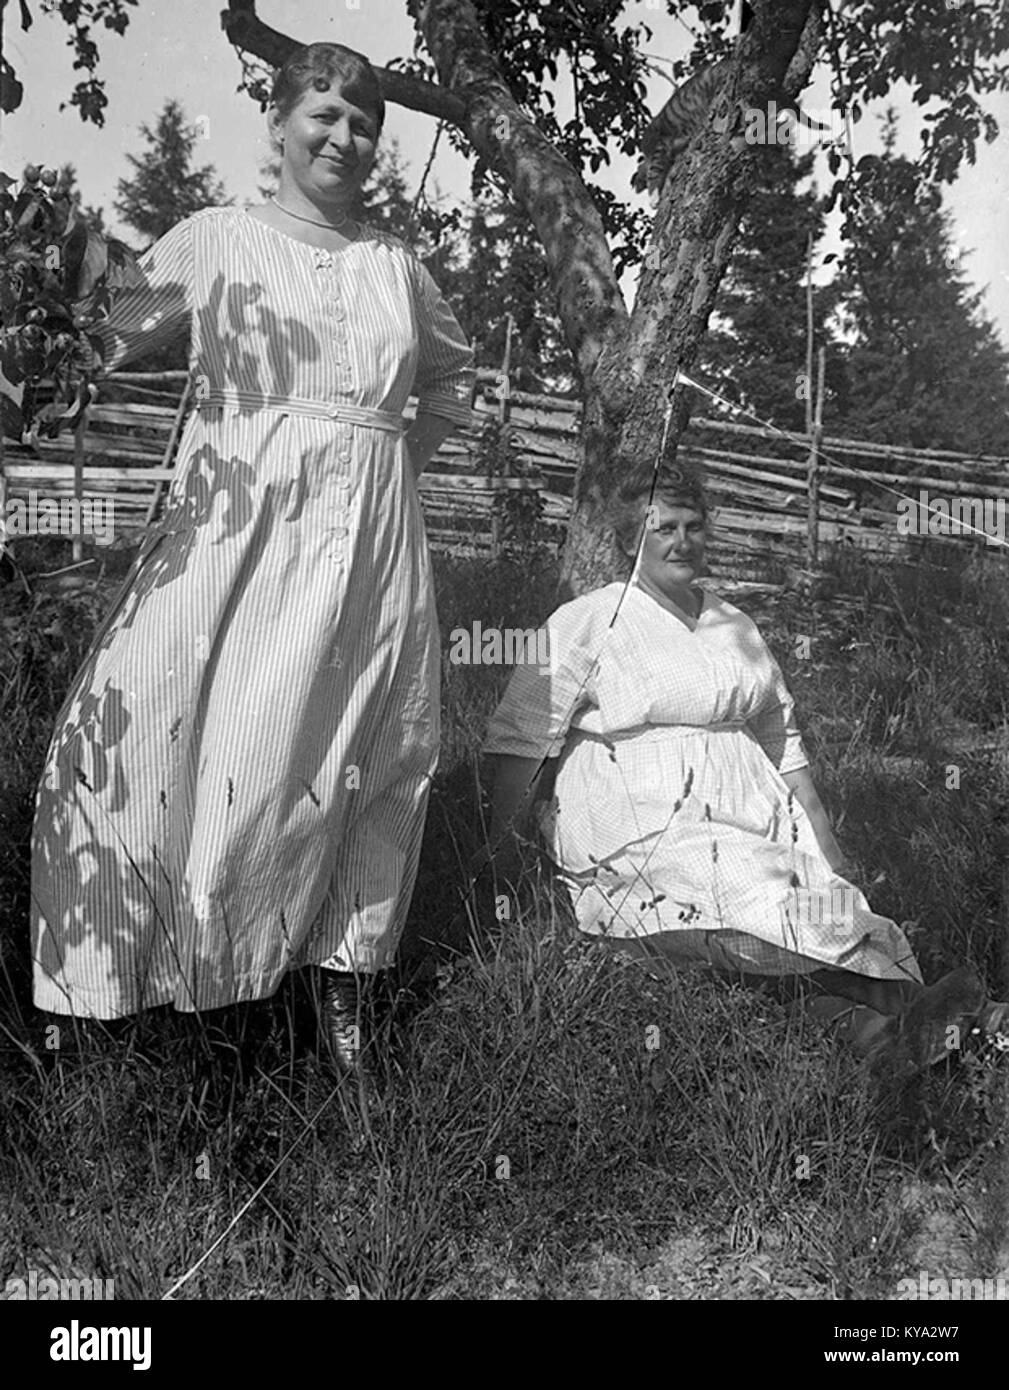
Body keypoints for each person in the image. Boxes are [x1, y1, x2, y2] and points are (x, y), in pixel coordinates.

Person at [30, 42, 475, 1078]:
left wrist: (379, 459)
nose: (345, 136)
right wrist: (72, 315)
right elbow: (102, 340)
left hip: (367, 551)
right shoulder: (215, 240)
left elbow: (452, 386)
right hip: (229, 537)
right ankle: (156, 1000)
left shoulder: (394, 272)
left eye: (364, 121)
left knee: (362, 755)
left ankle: (339, 997)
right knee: (166, 732)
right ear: (276, 124)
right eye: (323, 113)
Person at [480, 465, 1007, 1079]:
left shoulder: (734, 625)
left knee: (834, 907)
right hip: (639, 820)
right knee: (755, 897)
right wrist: (497, 857)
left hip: (748, 814)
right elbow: (521, 738)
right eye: (663, 528)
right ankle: (946, 1020)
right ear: (630, 541)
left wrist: (827, 849)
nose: (682, 541)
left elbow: (783, 743)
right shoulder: (589, 621)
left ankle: (897, 1033)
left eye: (693, 526)